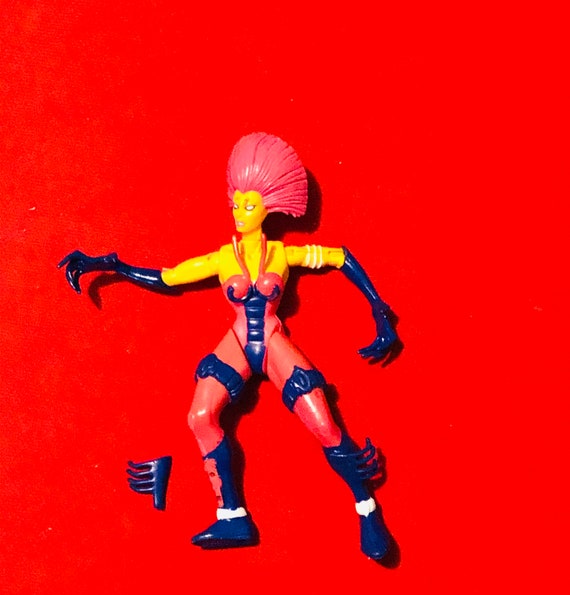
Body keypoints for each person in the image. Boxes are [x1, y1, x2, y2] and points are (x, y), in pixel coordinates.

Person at [59, 133, 399, 559]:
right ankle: (232, 516)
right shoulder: (223, 258)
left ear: (269, 206)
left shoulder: (283, 254)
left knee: (325, 425)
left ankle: (367, 508)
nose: (240, 213)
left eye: (249, 205)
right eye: (236, 204)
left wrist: (379, 309)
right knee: (200, 416)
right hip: (237, 341)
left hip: (272, 340)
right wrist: (112, 265)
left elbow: (340, 256)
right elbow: (169, 277)